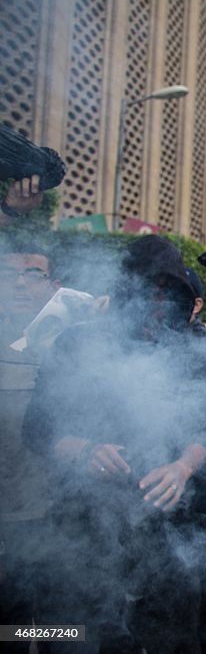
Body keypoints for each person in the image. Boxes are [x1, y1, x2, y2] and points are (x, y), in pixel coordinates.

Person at [24, 235, 206, 653]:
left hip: (167, 531)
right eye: (146, 291)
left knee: (171, 639)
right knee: (66, 636)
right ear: (123, 292)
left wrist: (183, 467)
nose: (155, 305)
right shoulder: (76, 343)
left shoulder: (194, 351)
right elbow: (37, 429)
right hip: (84, 526)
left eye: (166, 293)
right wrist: (84, 449)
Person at [0, 234, 61, 648]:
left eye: (33, 274)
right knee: (13, 633)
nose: (20, 283)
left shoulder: (77, 346)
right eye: (9, 274)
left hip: (62, 523)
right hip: (9, 526)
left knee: (66, 631)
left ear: (53, 284)